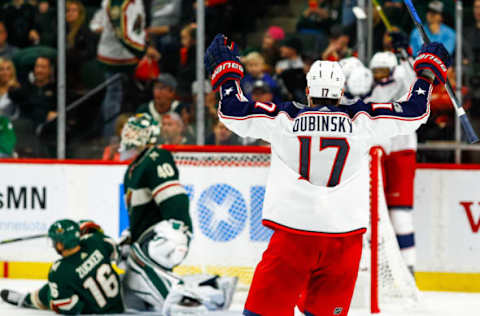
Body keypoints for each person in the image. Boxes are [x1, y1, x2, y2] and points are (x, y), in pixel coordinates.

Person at [204, 33, 450, 315]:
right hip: (344, 242)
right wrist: (426, 75)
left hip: (293, 238)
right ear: (341, 90)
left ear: (308, 90)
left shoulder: (284, 119)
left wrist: (226, 73)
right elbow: (415, 112)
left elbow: (232, 111)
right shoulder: (362, 120)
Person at [119, 113, 237, 313]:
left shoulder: (155, 157)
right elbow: (143, 216)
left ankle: (191, 300)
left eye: (136, 130)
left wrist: (178, 229)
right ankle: (213, 286)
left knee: (137, 262)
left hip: (170, 233)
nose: (129, 134)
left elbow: (175, 198)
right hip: (151, 239)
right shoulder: (133, 168)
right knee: (131, 295)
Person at [0, 219, 124, 314]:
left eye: (55, 242)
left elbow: (69, 308)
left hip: (96, 312)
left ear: (60, 245)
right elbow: (115, 251)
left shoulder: (59, 271)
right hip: (121, 303)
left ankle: (27, 299)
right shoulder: (96, 241)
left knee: (54, 289)